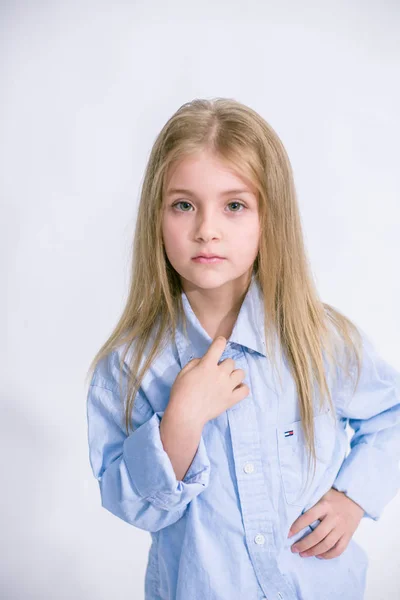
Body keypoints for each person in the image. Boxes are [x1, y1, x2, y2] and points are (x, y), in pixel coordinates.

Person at [85, 97, 400, 600]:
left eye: (234, 205)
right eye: (183, 204)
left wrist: (352, 498)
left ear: (267, 218)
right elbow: (132, 504)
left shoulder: (319, 338)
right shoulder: (128, 367)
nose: (206, 228)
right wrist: (181, 421)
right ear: (156, 216)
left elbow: (391, 414)